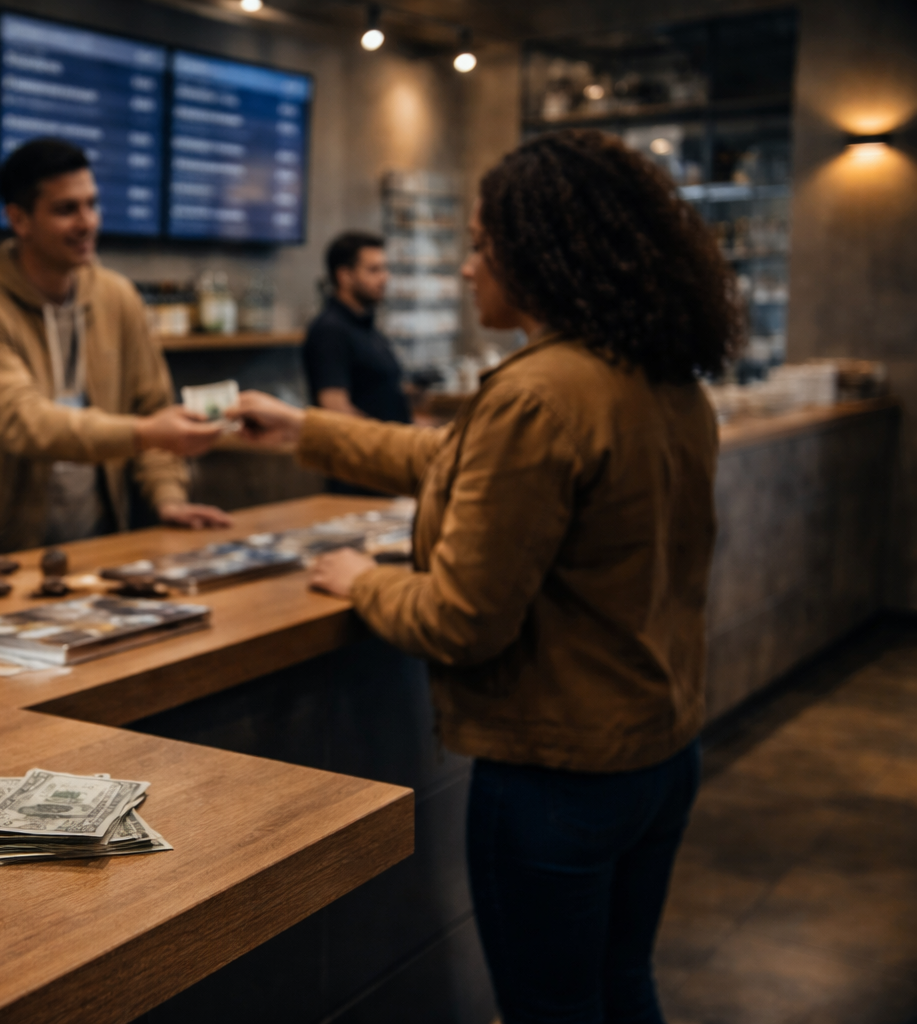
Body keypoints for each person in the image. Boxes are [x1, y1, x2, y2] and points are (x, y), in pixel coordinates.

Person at [232, 128, 740, 1024]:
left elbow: (460, 620)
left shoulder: (538, 393)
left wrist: (360, 580)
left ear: (543, 250)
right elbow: (456, 457)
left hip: (555, 774)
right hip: (659, 755)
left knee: (551, 1009)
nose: (468, 268)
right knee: (623, 986)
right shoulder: (659, 376)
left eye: (480, 244)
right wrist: (305, 429)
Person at [0, 138, 231, 558]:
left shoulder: (117, 297)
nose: (88, 222)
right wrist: (144, 434)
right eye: (66, 209)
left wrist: (170, 499)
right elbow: (26, 422)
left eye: (92, 204)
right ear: (19, 219)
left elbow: (153, 404)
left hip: (99, 545)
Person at [301, 231, 411, 424]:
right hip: (364, 452)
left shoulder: (365, 325)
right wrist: (392, 440)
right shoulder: (330, 330)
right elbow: (335, 408)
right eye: (374, 270)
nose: (384, 278)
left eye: (385, 269)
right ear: (345, 276)